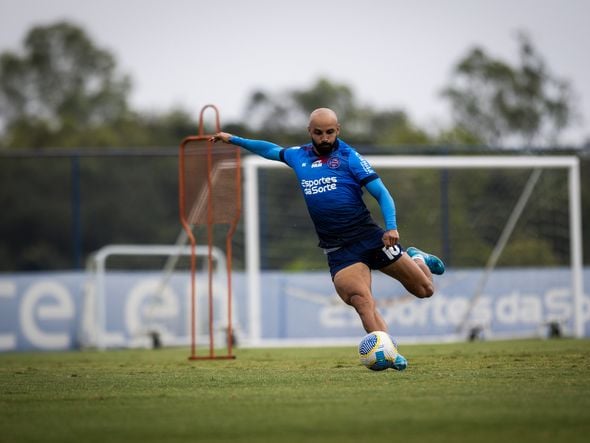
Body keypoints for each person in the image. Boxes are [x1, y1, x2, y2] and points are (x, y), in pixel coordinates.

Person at [211, 107, 444, 370]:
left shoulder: (349, 157)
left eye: (330, 132)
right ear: (309, 131)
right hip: (340, 249)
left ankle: (416, 257)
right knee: (361, 301)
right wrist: (234, 139)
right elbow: (269, 149)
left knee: (424, 290)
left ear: (338, 130)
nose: (324, 138)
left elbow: (383, 194)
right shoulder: (298, 156)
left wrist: (391, 227)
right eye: (319, 133)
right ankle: (389, 354)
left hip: (371, 237)